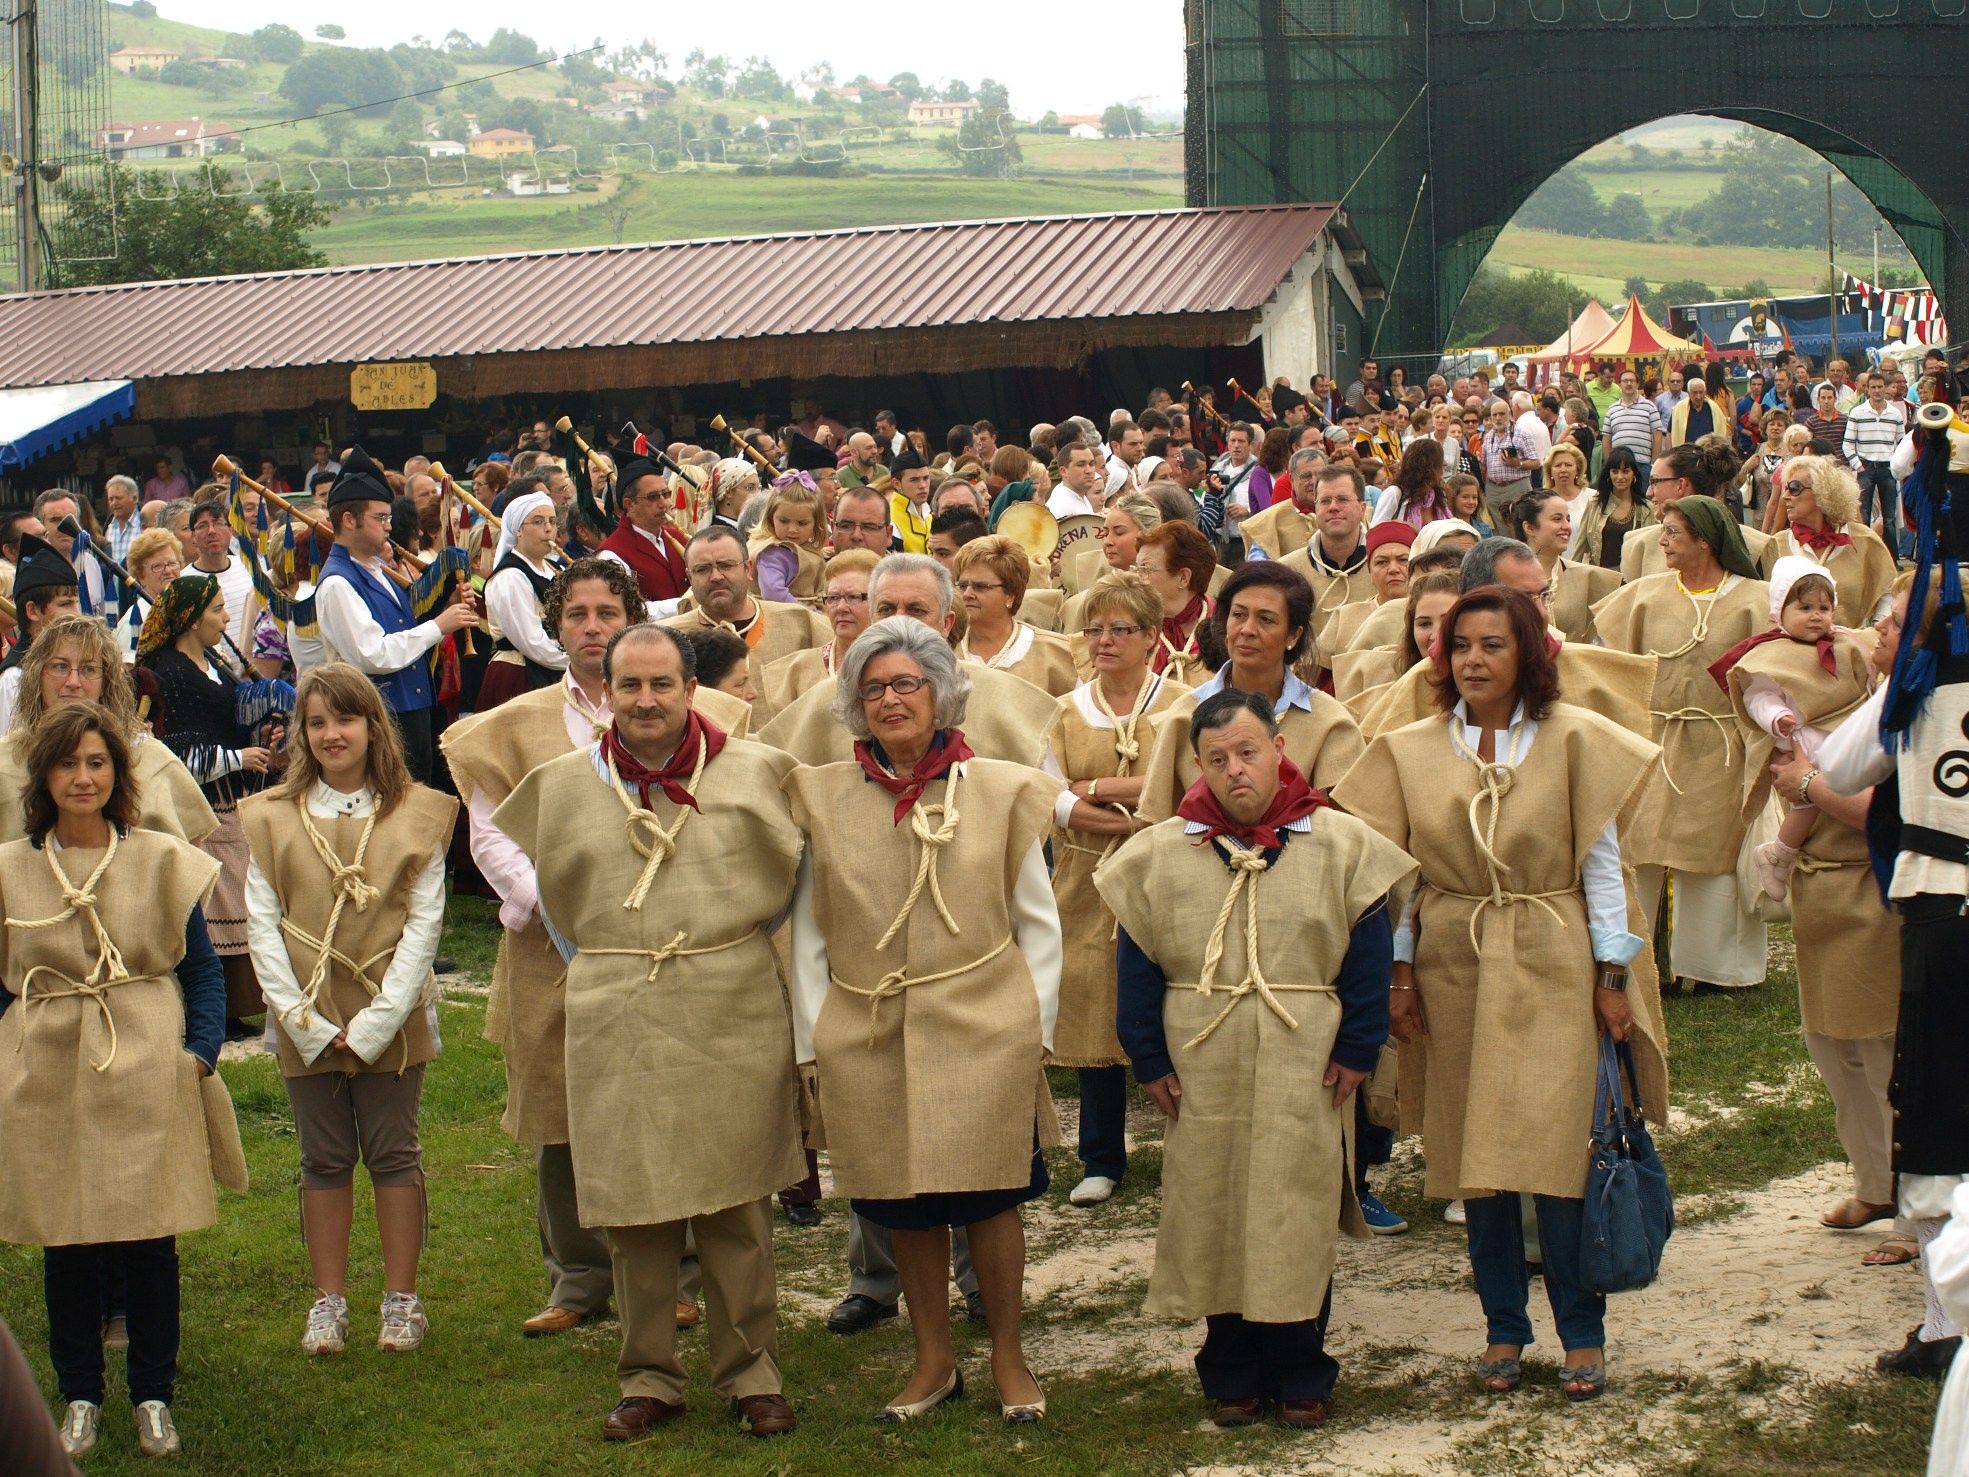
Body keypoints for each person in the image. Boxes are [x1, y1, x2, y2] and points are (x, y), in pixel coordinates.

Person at [1334, 586, 1667, 1403]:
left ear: (1526, 653)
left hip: (1554, 955)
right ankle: (1502, 1326)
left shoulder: (1573, 739)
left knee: (1558, 1155)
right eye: (1460, 646)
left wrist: (1611, 975)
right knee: (1475, 1160)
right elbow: (1401, 876)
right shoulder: (1411, 747)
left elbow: (1599, 868)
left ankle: (1580, 1332)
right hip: (1456, 960)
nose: (1473, 660)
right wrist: (1401, 973)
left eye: (1491, 644)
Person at [494, 624, 805, 1441]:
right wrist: (616, 960)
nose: (645, 700)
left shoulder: (753, 770)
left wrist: (714, 943)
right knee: (632, 1204)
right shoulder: (564, 786)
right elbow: (561, 912)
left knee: (737, 1198)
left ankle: (751, 1372)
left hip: (728, 996)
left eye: (661, 684)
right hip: (617, 1000)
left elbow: (784, 886)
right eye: (628, 684)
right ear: (607, 688)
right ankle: (648, 1376)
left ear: (689, 687)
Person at [1100, 687, 1414, 1428]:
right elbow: (1138, 964)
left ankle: (1303, 1366)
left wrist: (1358, 1043)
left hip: (1304, 1053)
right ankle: (1230, 1366)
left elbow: (1366, 959)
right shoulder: (1160, 853)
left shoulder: (1341, 844)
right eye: (1216, 758)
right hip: (1201, 1054)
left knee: (1293, 1205)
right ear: (1198, 767)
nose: (1235, 769)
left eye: (1247, 751)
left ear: (1278, 749)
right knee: (1212, 1203)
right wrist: (1147, 1055)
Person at [786, 617, 1061, 1424]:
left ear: (941, 692)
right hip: (868, 1029)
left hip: (984, 1022)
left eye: (906, 683)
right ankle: (932, 1360)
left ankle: (1009, 1356)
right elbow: (807, 927)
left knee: (989, 1194)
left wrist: (1033, 1030)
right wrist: (815, 1037)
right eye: (872, 687)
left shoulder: (1003, 789)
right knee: (902, 1198)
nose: (890, 699)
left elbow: (1035, 920)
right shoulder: (824, 797)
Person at [0, 703, 242, 1460]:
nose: (82, 776)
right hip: (47, 1062)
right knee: (64, 1236)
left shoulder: (159, 858)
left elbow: (201, 968)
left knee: (148, 1237)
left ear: (117, 772)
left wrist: (198, 1050)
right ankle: (79, 1391)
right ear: (44, 774)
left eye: (97, 762)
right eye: (68, 763)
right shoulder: (11, 866)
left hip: (143, 1055)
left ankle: (152, 1393)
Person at [443, 559, 641, 1338]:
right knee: (560, 1104)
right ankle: (579, 1275)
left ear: (631, 617)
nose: (593, 626)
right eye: (578, 614)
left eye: (607, 611)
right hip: (548, 944)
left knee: (660, 1092)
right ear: (556, 628)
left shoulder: (663, 703)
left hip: (651, 934)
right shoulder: (514, 723)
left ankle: (676, 1269)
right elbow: (486, 824)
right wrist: (536, 897)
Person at [242, 664, 454, 1357]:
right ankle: (327, 1299)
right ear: (302, 731)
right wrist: (302, 1019)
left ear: (372, 726)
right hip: (307, 1009)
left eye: (346, 719)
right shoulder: (273, 815)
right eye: (317, 722)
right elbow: (262, 923)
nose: (333, 734)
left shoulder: (416, 812)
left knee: (394, 1152)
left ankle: (402, 1298)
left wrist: (375, 1023)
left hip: (387, 1008)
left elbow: (423, 926)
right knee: (323, 1157)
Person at [1718, 569, 1906, 1267]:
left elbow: (1878, 809)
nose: (1868, 629)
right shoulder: (1854, 687)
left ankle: (1917, 1211)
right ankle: (1874, 1181)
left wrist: (1805, 785)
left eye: (1888, 623)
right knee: (1833, 1049)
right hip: (1821, 887)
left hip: (1871, 886)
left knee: (1888, 1053)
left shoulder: (1906, 702)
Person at [1815, 559, 1968, 1376]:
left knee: (1940, 1114)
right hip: (1943, 914)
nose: (1880, 632)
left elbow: (1840, 769)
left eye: (1894, 618)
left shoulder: (1912, 689)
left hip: (1946, 916)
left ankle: (1946, 1328)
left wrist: (1893, 683)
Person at [1042, 572, 1186, 1207]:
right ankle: (1102, 1156)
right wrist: (1123, 806)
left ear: (1151, 637)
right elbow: (1053, 797)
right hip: (1086, 875)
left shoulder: (1182, 703)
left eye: (1119, 629)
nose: (1103, 640)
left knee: (1179, 998)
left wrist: (1094, 785)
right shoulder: (1066, 711)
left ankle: (1190, 1144)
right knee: (1096, 1003)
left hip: (1171, 872)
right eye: (1094, 628)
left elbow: (1184, 781)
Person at [1592, 497, 1770, 993]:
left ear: (1705, 541)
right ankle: (1644, 962)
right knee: (1642, 848)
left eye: (1671, 532)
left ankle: (1714, 969)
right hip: (1655, 739)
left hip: (1722, 743)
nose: (1661, 540)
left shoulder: (1757, 600)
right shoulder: (1644, 596)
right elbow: (1609, 666)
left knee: (1714, 853)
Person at [139, 574, 294, 1036]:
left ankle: (234, 1004)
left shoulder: (213, 662)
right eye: (215, 611)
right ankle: (212, 1008)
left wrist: (259, 735)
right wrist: (236, 758)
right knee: (210, 897)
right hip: (197, 804)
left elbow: (225, 721)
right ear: (189, 619)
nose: (226, 618)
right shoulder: (165, 672)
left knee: (234, 892)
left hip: (230, 798)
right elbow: (169, 751)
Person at [759, 554, 1057, 768]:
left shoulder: (1001, 697)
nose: (900, 622)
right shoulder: (828, 698)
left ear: (946, 623)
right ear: (873, 617)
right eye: (887, 610)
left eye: (916, 610)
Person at [1138, 562, 1364, 823]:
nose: (1247, 630)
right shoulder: (1185, 716)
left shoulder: (1330, 723)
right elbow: (1155, 824)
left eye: (1266, 619)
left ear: (1293, 635)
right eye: (1239, 615)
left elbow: (1347, 831)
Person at [313, 449, 478, 785]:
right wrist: (439, 626)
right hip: (381, 719)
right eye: (380, 518)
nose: (389, 527)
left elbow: (402, 625)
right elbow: (373, 653)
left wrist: (446, 603)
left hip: (410, 711)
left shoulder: (374, 569)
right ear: (348, 519)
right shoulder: (337, 583)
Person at [1716, 558, 1875, 899]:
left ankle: (1786, 854)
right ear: (1779, 611)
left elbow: (1867, 677)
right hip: (1802, 741)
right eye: (1804, 607)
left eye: (1824, 607)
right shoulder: (1770, 655)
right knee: (1809, 800)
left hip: (1841, 737)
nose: (1817, 616)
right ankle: (1779, 855)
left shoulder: (1845, 644)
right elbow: (1758, 697)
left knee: (1835, 794)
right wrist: (1777, 718)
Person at [0, 616, 214, 845]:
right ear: (37, 675)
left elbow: (190, 856)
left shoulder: (150, 760)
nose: (73, 681)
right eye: (60, 666)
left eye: (88, 669)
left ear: (107, 680)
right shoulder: (6, 762)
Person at [661, 526, 829, 723]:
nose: (716, 576)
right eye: (703, 569)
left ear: (748, 569)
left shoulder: (802, 623)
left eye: (726, 565)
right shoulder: (668, 639)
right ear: (690, 577)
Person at [1768, 455, 1898, 629]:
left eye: (1794, 488)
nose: (1785, 496)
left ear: (1823, 492)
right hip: (1792, 652)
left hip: (1847, 649)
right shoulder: (1776, 545)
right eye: (1785, 488)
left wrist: (1877, 626)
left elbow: (1888, 588)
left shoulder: (1863, 540)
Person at [1625, 440, 1773, 581]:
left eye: (1654, 482)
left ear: (1681, 485)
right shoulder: (1639, 545)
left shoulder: (1755, 547)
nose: (1649, 492)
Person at [952, 537, 1077, 697]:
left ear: (1010, 595)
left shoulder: (1056, 654)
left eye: (981, 586)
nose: (968, 594)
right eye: (962, 586)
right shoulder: (942, 648)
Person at [478, 491, 567, 711]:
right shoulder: (510, 577)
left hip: (555, 669)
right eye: (538, 522)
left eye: (552, 522)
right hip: (520, 675)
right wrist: (579, 662)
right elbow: (532, 642)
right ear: (518, 530)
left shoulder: (555, 570)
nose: (548, 528)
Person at [760, 549, 876, 715]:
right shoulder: (795, 671)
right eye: (833, 598)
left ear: (879, 601)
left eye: (853, 597)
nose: (841, 608)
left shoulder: (899, 664)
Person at [1279, 465, 1376, 645]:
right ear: (1315, 509)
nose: (1333, 507)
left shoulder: (1382, 566)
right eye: (1324, 501)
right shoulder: (1287, 571)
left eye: (1343, 499)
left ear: (1362, 508)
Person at [1511, 488, 1618, 645]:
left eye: (1567, 519)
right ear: (1530, 528)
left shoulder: (1587, 577)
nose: (1566, 527)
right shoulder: (1506, 576)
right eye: (1557, 519)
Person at [1135, 521, 1220, 686]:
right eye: (1137, 569)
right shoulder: (1129, 627)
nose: (1137, 578)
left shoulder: (1224, 628)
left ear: (1183, 578)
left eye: (1146, 569)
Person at [596, 459, 691, 603]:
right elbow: (631, 610)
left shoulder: (679, 538)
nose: (665, 504)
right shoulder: (611, 555)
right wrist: (689, 603)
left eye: (666, 494)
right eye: (653, 497)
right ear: (630, 504)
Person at [1843, 370, 1908, 555]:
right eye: (1873, 387)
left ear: (1885, 388)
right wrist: (1859, 466)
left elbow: (1901, 443)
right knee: (1863, 516)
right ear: (1867, 390)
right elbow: (1848, 444)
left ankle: (1891, 558)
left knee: (1889, 517)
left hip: (1887, 468)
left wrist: (1895, 466)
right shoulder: (1857, 412)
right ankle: (1864, 556)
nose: (1877, 391)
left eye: (1880, 387)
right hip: (1867, 467)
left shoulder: (1895, 414)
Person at [748, 473, 827, 606]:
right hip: (785, 616)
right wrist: (807, 612)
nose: (792, 529)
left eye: (802, 523)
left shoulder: (799, 547)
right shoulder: (772, 553)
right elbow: (773, 593)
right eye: (784, 521)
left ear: (816, 523)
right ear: (770, 518)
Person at [112, 527, 184, 663]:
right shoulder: (134, 623)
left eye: (172, 563)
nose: (168, 570)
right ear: (141, 577)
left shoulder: (184, 608)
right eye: (157, 566)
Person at [1371, 441, 1451, 529]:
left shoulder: (1438, 496)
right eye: (1439, 466)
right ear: (1426, 468)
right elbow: (1375, 532)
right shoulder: (1394, 494)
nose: (1442, 472)